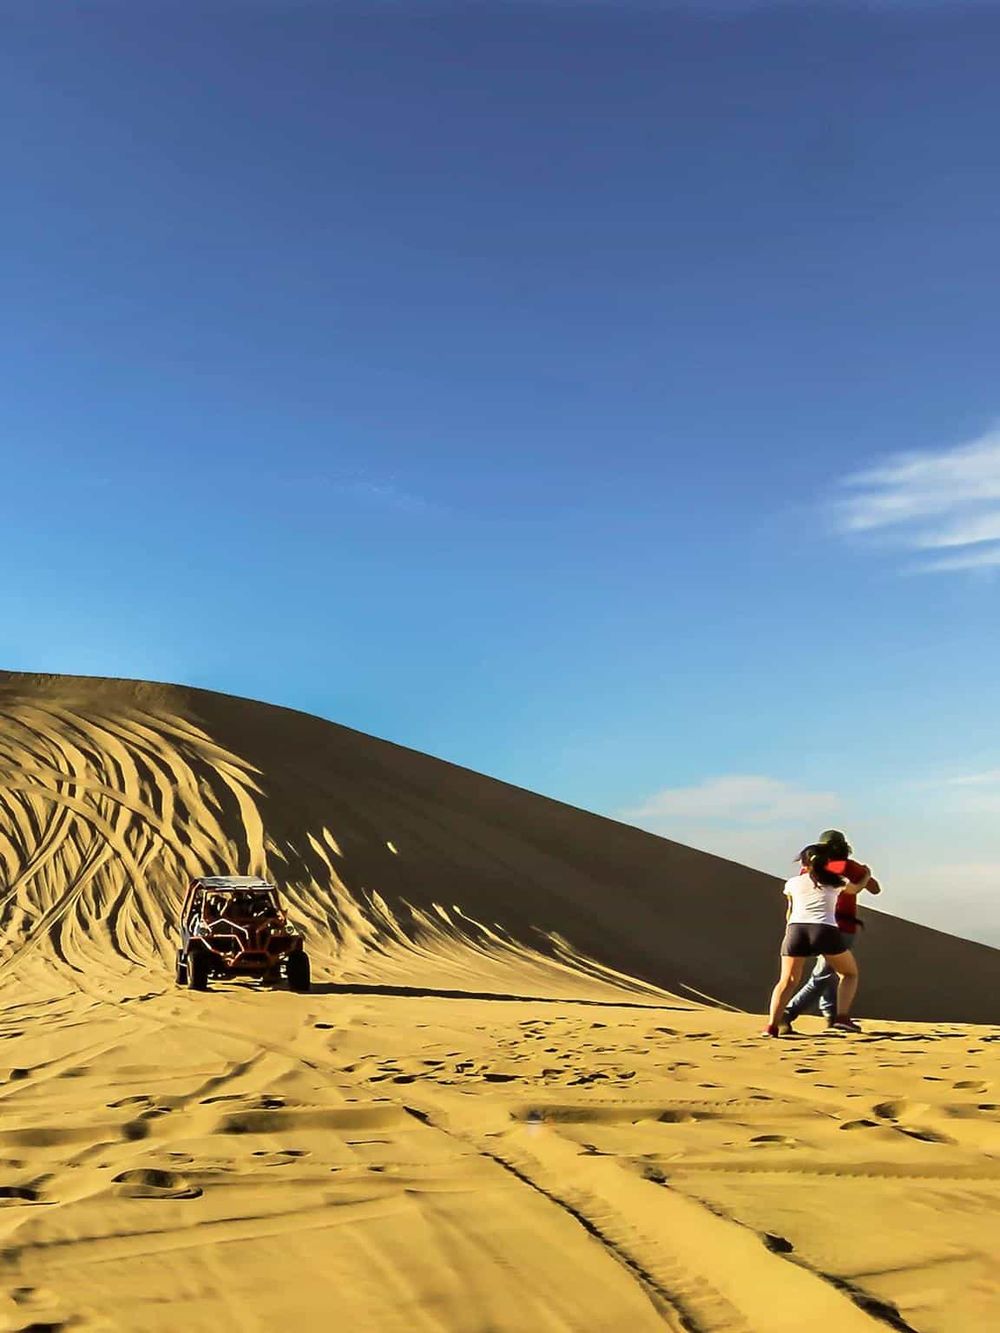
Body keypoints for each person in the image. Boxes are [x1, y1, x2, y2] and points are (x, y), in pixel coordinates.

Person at [780, 830, 880, 1033]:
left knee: (828, 973)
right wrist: (866, 874)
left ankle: (831, 1015)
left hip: (804, 926)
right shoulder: (849, 867)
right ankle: (788, 1013)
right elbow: (875, 889)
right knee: (825, 975)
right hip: (838, 927)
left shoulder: (810, 869)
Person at [763, 842, 865, 1038]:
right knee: (849, 973)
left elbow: (790, 911)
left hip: (795, 930)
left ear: (804, 863)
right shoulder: (837, 881)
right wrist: (866, 875)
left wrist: (790, 932)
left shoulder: (792, 883)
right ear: (827, 862)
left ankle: (771, 1026)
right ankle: (842, 1018)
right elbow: (856, 889)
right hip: (824, 930)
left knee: (787, 980)